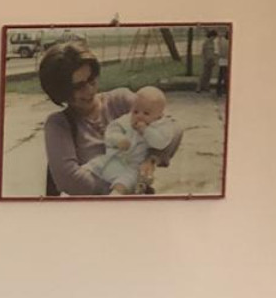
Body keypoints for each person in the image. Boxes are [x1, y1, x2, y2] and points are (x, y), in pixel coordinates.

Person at [38, 42, 181, 197]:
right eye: (78, 86)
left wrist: (152, 159)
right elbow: (69, 179)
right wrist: (122, 188)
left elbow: (173, 127)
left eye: (91, 79)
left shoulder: (120, 101)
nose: (90, 90)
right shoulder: (59, 124)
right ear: (61, 92)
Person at [87, 86, 179, 195]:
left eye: (146, 113)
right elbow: (113, 129)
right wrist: (119, 139)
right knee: (97, 164)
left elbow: (160, 143)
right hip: (117, 157)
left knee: (127, 180)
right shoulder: (127, 119)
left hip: (136, 165)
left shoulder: (161, 126)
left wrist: (146, 131)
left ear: (159, 115)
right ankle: (87, 173)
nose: (139, 116)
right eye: (135, 111)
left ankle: (116, 195)